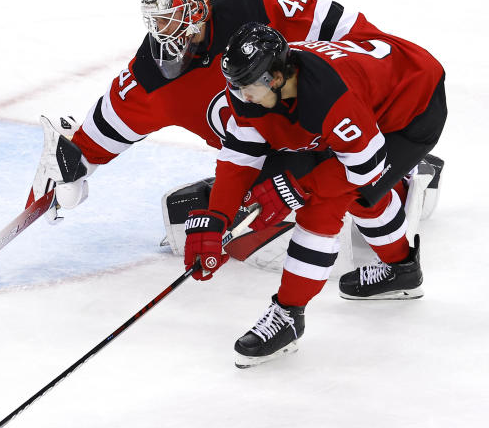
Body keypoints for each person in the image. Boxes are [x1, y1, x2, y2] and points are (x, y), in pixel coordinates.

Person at [28, 0, 443, 267]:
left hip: (337, 128)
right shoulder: (150, 77)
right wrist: (73, 161)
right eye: (159, 22)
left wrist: (375, 102)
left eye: (173, 19)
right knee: (189, 221)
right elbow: (107, 127)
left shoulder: (254, 10)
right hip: (265, 151)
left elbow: (349, 31)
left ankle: (407, 181)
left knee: (348, 192)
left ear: (198, 9)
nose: (166, 32)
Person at [183, 22, 446, 368]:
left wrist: (298, 187)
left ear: (274, 78)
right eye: (235, 85)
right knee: (329, 180)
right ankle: (403, 271)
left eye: (246, 86)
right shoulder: (256, 87)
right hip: (375, 80)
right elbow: (239, 160)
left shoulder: (331, 100)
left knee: (327, 205)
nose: (239, 96)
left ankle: (289, 313)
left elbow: (366, 171)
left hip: (414, 105)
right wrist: (216, 216)